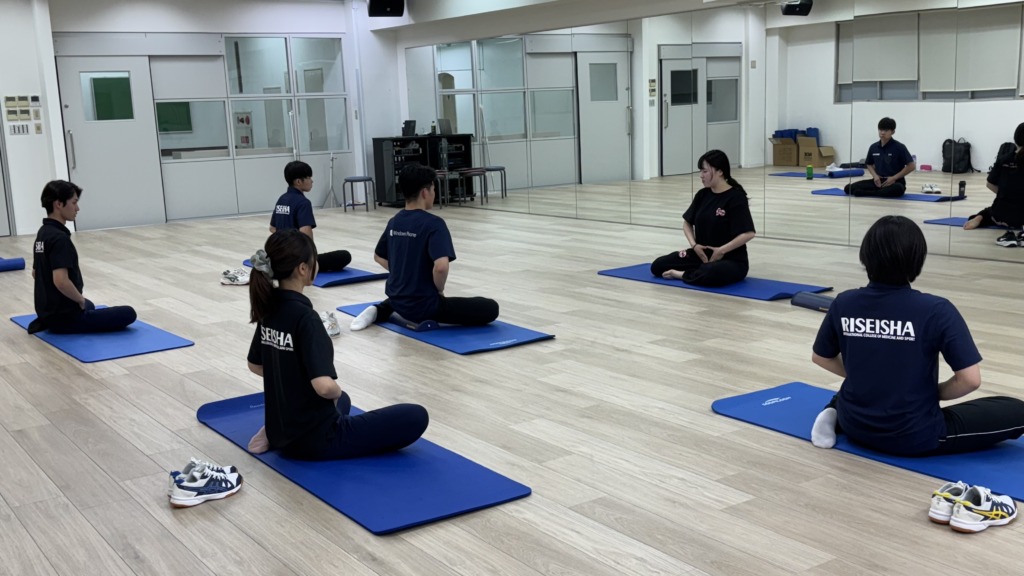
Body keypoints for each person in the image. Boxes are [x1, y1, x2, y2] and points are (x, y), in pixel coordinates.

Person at [810, 215, 1024, 457]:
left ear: (866, 256)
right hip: (913, 436)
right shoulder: (936, 309)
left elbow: (820, 357)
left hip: (855, 425)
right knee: (1016, 409)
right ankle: (836, 410)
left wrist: (867, 377)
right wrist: (933, 392)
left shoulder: (844, 302)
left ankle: (833, 411)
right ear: (917, 260)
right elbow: (970, 380)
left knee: (866, 386)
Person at [245, 229, 429, 459]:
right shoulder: (307, 318)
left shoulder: (269, 310)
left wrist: (292, 381)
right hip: (317, 440)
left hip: (282, 430)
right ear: (303, 269)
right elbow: (324, 387)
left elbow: (255, 365)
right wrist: (334, 392)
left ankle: (272, 432)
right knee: (415, 416)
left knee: (345, 400)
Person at [349, 163, 499, 330]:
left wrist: (403, 272)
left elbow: (378, 256)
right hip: (425, 307)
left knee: (407, 296)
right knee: (490, 307)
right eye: (433, 189)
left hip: (397, 301)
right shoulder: (434, 224)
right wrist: (439, 290)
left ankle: (379, 309)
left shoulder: (394, 221)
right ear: (425, 192)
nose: (434, 194)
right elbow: (441, 267)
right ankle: (381, 309)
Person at [28, 180, 136, 334]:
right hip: (66, 317)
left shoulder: (43, 232)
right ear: (58, 204)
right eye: (74, 203)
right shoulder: (59, 239)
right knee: (128, 313)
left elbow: (35, 273)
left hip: (47, 314)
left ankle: (54, 318)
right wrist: (79, 300)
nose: (77, 208)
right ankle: (71, 316)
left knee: (90, 305)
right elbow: (61, 281)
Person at [650, 150, 756, 287]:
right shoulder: (702, 195)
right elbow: (687, 223)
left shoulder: (736, 197)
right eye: (701, 171)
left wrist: (721, 251)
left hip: (730, 259)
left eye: (705, 171)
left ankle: (682, 274)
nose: (701, 175)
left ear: (720, 171)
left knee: (711, 271)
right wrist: (694, 246)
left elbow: (748, 233)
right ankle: (697, 272)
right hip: (700, 256)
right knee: (658, 265)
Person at [270, 160, 351, 272]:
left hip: (281, 256)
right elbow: (306, 234)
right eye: (308, 178)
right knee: (345, 256)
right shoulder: (303, 203)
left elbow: (272, 228)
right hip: (297, 260)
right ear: (299, 181)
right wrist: (311, 259)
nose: (312, 181)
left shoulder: (282, 199)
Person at [964, 122, 1024, 247]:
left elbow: (990, 184)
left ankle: (980, 217)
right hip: (1021, 216)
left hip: (1001, 214)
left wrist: (1005, 194)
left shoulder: (1003, 159)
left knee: (991, 211)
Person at [843, 117, 916, 198]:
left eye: (886, 130)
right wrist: (875, 176)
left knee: (898, 189)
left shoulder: (899, 147)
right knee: (848, 188)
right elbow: (869, 164)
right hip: (878, 181)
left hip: (895, 182)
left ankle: (867, 193)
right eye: (880, 130)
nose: (882, 133)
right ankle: (876, 192)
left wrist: (894, 178)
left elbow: (911, 166)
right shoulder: (873, 147)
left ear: (893, 132)